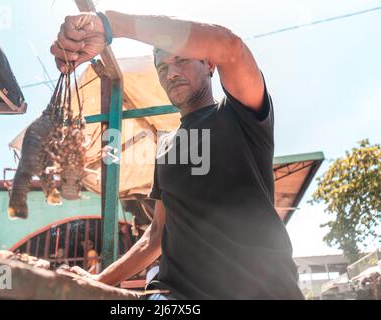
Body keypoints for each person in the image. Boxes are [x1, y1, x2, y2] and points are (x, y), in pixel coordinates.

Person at [51, 10, 303, 300]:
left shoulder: (242, 115)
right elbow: (156, 233)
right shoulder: (166, 147)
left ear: (209, 63)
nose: (170, 73)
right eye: (161, 68)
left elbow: (230, 47)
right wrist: (99, 280)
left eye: (180, 59)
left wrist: (110, 24)